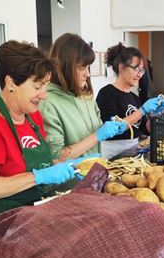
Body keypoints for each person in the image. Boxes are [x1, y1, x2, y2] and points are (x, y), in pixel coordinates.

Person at [0, 40, 78, 220]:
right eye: (37, 86)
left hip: (36, 214)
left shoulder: (31, 116)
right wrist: (39, 177)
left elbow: (40, 166)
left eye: (46, 86)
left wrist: (68, 166)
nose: (44, 94)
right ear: (10, 82)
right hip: (4, 223)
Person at [39, 33, 126, 162]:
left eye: (88, 67)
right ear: (64, 68)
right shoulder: (48, 104)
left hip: (94, 174)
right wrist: (97, 136)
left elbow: (97, 129)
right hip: (72, 181)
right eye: (82, 68)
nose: (88, 74)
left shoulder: (86, 96)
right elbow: (56, 157)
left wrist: (110, 128)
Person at [96, 43, 164, 159]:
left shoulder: (134, 97)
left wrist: (156, 115)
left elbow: (145, 129)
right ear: (121, 67)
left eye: (142, 71)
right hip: (112, 154)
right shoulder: (106, 94)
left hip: (133, 152)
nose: (140, 75)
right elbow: (114, 128)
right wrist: (142, 110)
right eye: (136, 69)